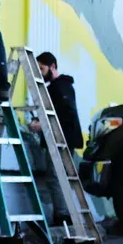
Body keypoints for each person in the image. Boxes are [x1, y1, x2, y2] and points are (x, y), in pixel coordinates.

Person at [30, 52, 84, 224]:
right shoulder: (60, 86)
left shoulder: (60, 87)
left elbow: (65, 114)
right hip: (62, 137)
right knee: (61, 177)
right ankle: (64, 214)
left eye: (42, 68)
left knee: (55, 177)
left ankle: (62, 216)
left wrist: (42, 124)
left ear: (52, 66)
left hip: (61, 138)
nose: (40, 73)